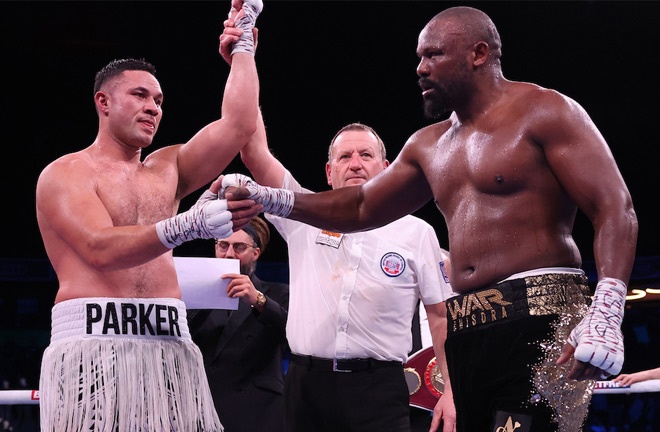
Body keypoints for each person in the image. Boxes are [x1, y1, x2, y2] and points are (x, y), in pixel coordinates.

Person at [222, 5, 638, 432]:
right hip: (467, 332)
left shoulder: (546, 111)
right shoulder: (428, 145)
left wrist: (607, 309)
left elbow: (614, 207)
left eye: (433, 55)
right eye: (420, 57)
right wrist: (271, 198)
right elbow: (360, 208)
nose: (420, 69)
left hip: (540, 317)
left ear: (478, 53)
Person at [34, 1, 263, 430]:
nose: (154, 107)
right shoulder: (65, 173)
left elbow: (239, 125)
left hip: (169, 343)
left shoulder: (168, 168)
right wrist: (190, 223)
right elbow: (100, 248)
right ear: (103, 101)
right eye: (140, 95)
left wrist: (244, 45)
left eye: (158, 99)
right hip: (92, 344)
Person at [188, 216, 289, 432]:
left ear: (256, 253)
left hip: (258, 411)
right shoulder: (194, 295)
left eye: (239, 247)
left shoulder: (278, 293)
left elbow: (292, 338)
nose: (229, 254)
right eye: (223, 245)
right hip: (203, 407)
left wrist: (258, 300)